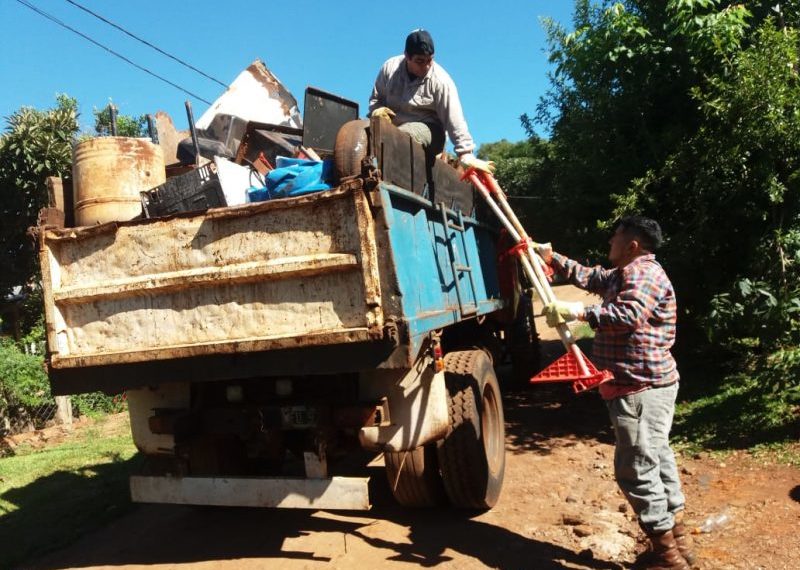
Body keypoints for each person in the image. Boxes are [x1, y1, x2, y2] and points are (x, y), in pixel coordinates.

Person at [537, 216, 695, 570]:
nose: (610, 240)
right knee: (656, 458)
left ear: (633, 245)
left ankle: (667, 557)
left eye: (616, 237)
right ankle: (677, 542)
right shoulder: (626, 272)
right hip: (643, 385)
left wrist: (579, 312)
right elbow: (592, 277)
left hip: (639, 387)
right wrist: (551, 257)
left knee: (636, 468)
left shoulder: (642, 274)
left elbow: (628, 314)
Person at [369, 29, 494, 173]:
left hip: (431, 130)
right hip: (391, 129)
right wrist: (377, 110)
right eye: (420, 61)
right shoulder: (390, 69)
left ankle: (386, 173)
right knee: (362, 131)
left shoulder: (441, 81)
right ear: (407, 57)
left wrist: (466, 153)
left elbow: (454, 118)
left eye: (430, 60)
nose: (426, 66)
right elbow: (376, 99)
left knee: (403, 135)